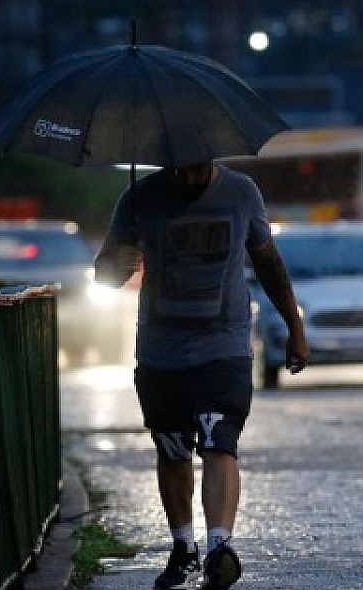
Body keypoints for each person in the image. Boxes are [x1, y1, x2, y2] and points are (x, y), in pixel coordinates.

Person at [93, 159, 309, 590]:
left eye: (193, 169)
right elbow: (104, 278)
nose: (185, 178)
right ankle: (183, 547)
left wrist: (295, 328)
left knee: (219, 442)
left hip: (223, 347)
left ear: (210, 158)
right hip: (160, 351)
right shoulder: (138, 198)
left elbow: (269, 262)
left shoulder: (241, 192)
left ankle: (219, 546)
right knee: (172, 449)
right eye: (177, 170)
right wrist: (123, 259)